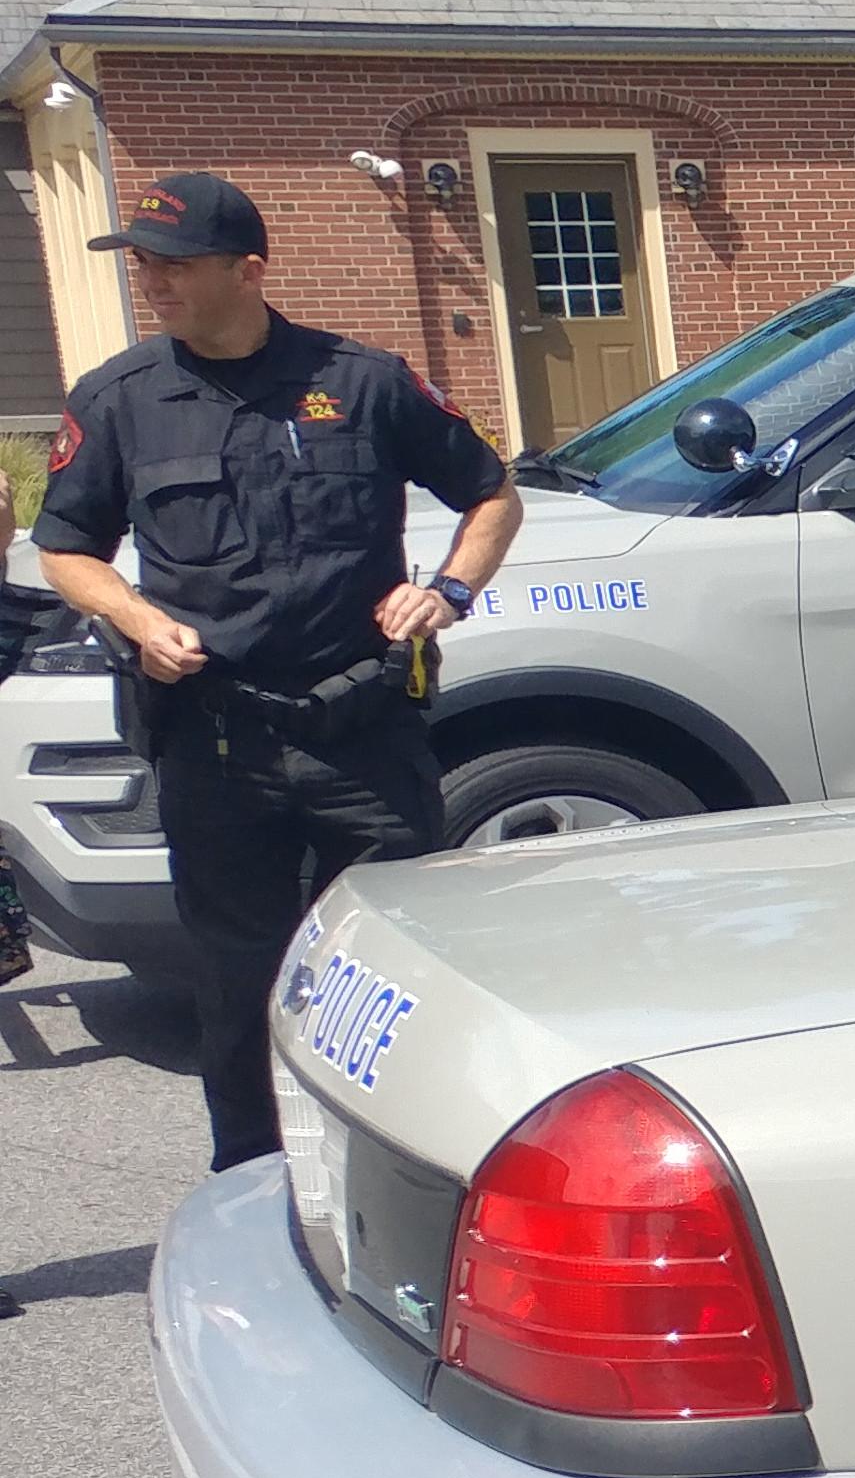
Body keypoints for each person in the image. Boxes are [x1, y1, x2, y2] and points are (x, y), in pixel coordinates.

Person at [31, 171, 518, 1170]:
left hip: (364, 729)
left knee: (403, 961)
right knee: (237, 979)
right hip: (218, 741)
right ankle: (252, 1182)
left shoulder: (366, 381)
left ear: (247, 270)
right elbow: (65, 548)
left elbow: (493, 496)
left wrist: (451, 594)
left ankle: (409, 1168)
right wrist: (133, 613)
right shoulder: (122, 399)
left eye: (171, 265)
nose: (149, 283)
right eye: (140, 265)